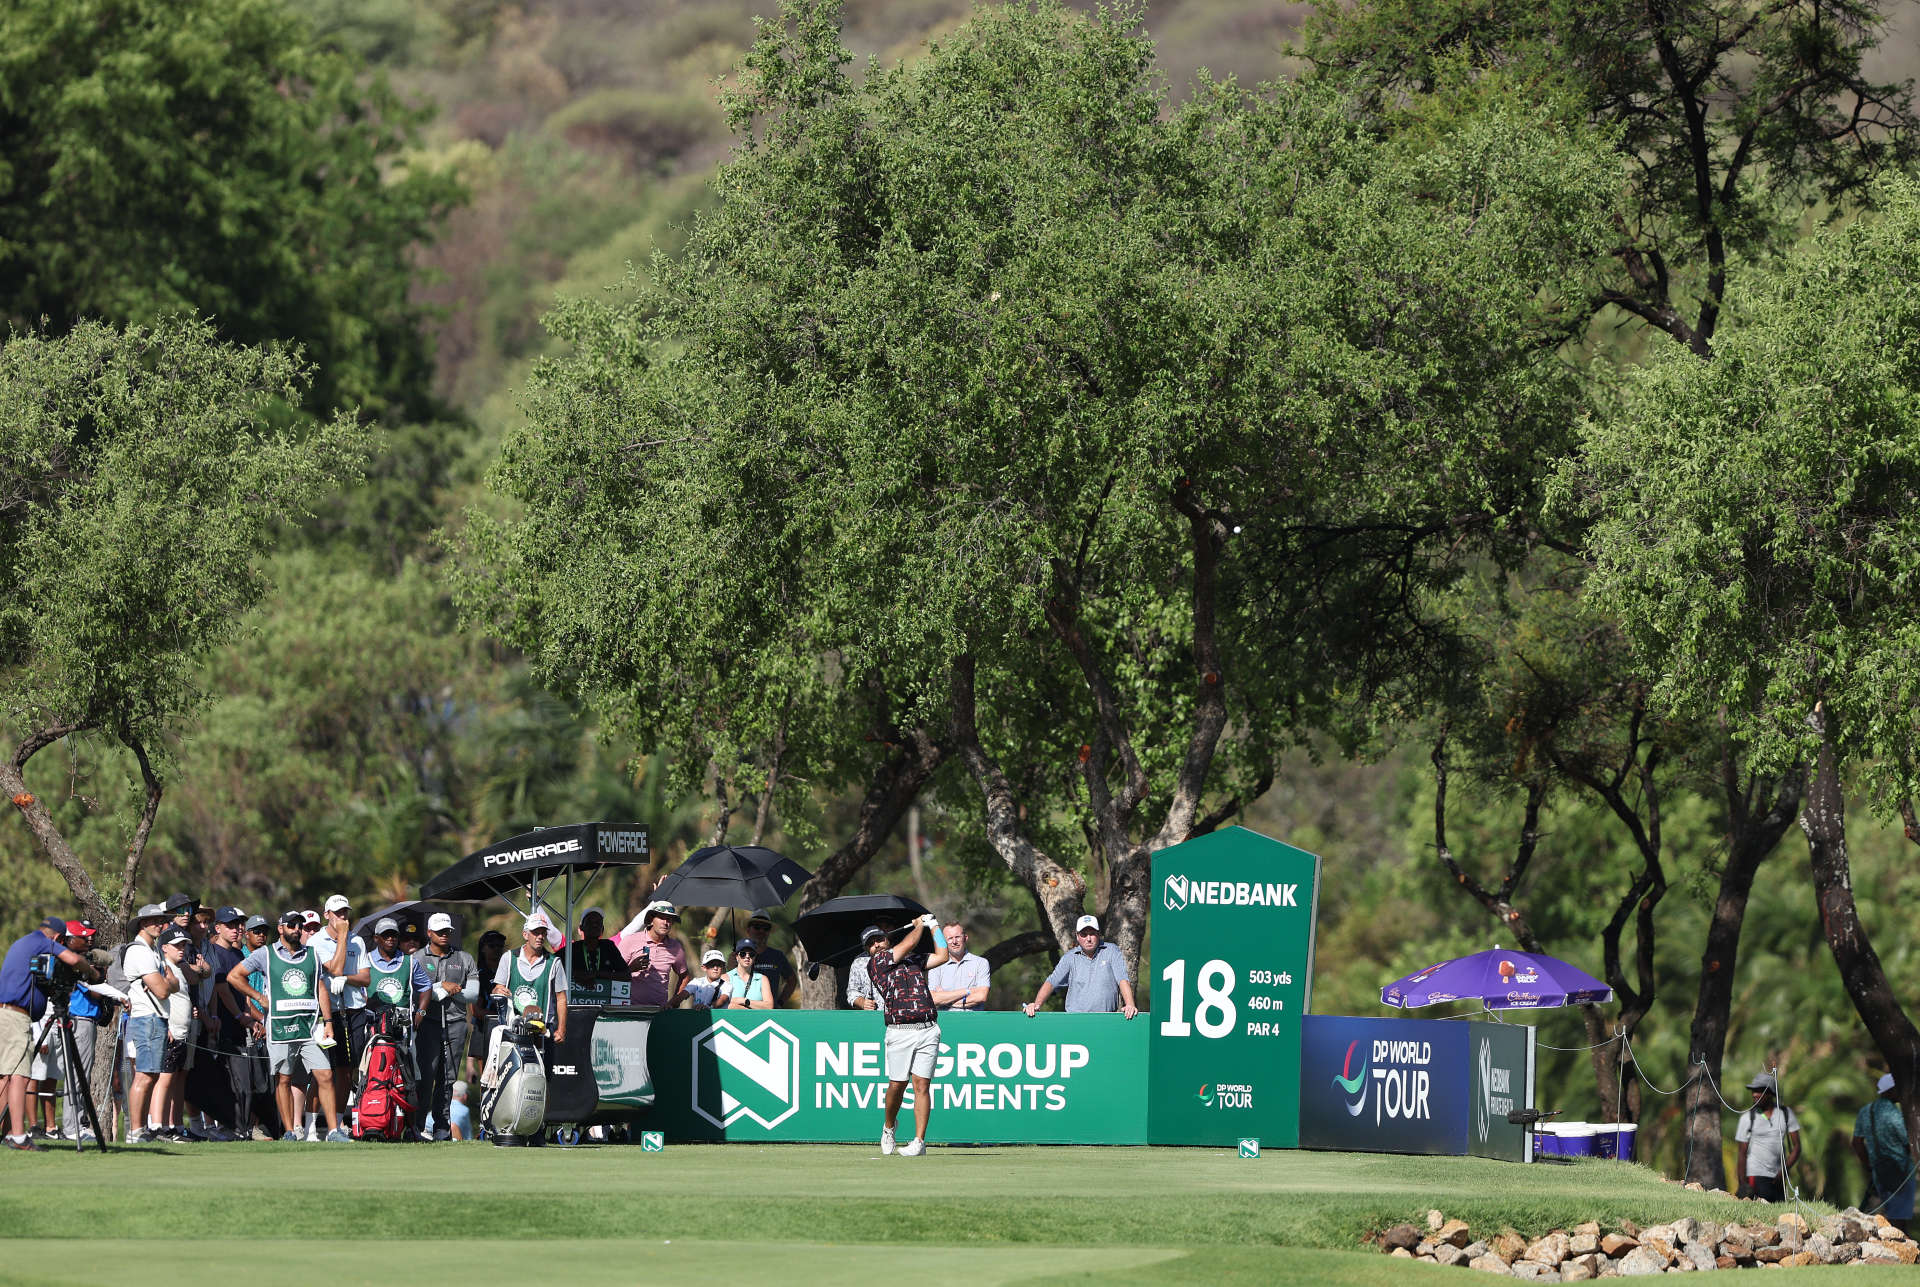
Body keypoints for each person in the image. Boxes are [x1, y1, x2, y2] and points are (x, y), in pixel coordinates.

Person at [226, 911, 349, 1142]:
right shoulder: (266, 954)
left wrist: (329, 1021)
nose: (297, 928)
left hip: (309, 1027)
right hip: (280, 1028)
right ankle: (290, 1132)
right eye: (291, 925)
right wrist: (258, 998)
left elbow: (321, 987)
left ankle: (333, 1131)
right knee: (283, 1079)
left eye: (299, 925)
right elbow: (234, 976)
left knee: (325, 1075)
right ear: (281, 929)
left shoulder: (311, 955)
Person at [1, 916, 102, 1150]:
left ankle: (6, 1133)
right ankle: (18, 1137)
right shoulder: (42, 942)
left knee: (5, 1076)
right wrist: (91, 972)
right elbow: (73, 958)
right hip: (16, 1016)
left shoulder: (22, 942)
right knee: (19, 1076)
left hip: (4, 1014)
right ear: (57, 937)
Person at [866, 915, 949, 1157]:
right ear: (869, 951)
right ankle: (889, 1127)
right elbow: (910, 943)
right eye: (871, 944)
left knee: (922, 1085)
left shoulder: (913, 961)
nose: (877, 945)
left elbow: (943, 955)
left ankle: (919, 1142)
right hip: (899, 1031)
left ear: (887, 940)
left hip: (928, 1029)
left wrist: (934, 926)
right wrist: (919, 926)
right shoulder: (877, 964)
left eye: (880, 940)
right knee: (897, 1085)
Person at [415, 911, 479, 1142]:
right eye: (439, 931)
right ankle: (418, 1125)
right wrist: (440, 986)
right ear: (429, 933)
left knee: (447, 1079)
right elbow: (415, 992)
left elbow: (473, 994)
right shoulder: (417, 959)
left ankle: (442, 1130)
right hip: (428, 1024)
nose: (444, 934)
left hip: (455, 1023)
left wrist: (454, 990)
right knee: (425, 1076)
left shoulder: (464, 958)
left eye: (447, 931)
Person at [310, 894, 369, 1125]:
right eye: (338, 913)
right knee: (322, 1072)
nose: (343, 917)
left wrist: (347, 979)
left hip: (354, 1009)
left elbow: (365, 978)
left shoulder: (358, 941)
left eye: (345, 912)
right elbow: (334, 968)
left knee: (346, 1070)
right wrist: (343, 936)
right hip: (328, 1013)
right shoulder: (316, 941)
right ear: (327, 915)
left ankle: (337, 1123)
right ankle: (310, 1124)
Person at [119, 904, 175, 1144]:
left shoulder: (153, 951)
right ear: (142, 924)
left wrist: (169, 981)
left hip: (155, 1018)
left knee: (150, 1076)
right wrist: (168, 981)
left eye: (161, 921)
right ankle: (135, 1131)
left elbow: (172, 983)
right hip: (147, 1019)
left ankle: (139, 1131)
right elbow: (164, 989)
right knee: (144, 1076)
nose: (160, 925)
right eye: (154, 921)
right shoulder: (139, 951)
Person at [1021, 915, 1138, 1018]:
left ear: (1098, 934)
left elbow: (1122, 979)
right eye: (1084, 934)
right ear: (1077, 936)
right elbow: (1051, 982)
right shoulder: (1070, 957)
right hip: (1075, 1021)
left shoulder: (1111, 950)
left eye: (1092, 934)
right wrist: (1036, 1005)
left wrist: (1130, 1005)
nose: (1088, 938)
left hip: (1105, 1020)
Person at [60, 920, 114, 1141]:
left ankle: (78, 1122)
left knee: (83, 1073)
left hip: (86, 1021)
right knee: (77, 1074)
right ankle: (72, 1126)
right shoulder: (75, 962)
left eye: (91, 935)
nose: (89, 939)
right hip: (80, 1020)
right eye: (84, 936)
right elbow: (96, 993)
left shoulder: (85, 959)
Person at [491, 911, 569, 1044]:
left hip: (543, 1029)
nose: (540, 937)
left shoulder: (554, 962)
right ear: (525, 935)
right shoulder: (509, 958)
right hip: (512, 1027)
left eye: (543, 933)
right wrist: (497, 991)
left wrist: (561, 1029)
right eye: (535, 932)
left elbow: (561, 998)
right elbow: (497, 989)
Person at [1853, 1073, 1914, 1232]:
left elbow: (1857, 1142)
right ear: (1890, 1090)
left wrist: (1868, 1165)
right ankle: (1903, 1253)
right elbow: (1909, 1142)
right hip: (1900, 1173)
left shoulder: (1866, 1111)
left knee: (1884, 1217)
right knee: (1899, 1223)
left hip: (1878, 1174)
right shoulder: (1894, 1113)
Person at [153, 926, 194, 1139]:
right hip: (170, 1031)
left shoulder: (177, 967)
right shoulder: (162, 966)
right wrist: (166, 1026)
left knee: (178, 1079)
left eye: (184, 945)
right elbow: (159, 998)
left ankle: (176, 1126)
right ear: (164, 947)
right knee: (165, 1078)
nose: (182, 949)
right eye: (177, 945)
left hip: (183, 1032)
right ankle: (158, 1126)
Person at [1736, 1070, 1801, 1202]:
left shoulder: (1786, 1114)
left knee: (1778, 1215)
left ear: (1771, 1093)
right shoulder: (1747, 1118)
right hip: (1755, 1176)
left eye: (1759, 1091)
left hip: (1778, 1178)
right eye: (1753, 1091)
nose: (1754, 1094)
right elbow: (1742, 1153)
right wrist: (1743, 1184)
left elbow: (1797, 1147)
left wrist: (1784, 1170)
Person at [622, 901, 688, 1008]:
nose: (666, 922)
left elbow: (684, 977)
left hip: (658, 1012)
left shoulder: (675, 947)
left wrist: (673, 1003)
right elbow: (613, 973)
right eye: (662, 917)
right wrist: (631, 968)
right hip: (629, 1009)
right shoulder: (630, 940)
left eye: (670, 919)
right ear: (651, 920)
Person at [469, 930, 508, 1082]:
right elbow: (475, 1010)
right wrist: (498, 1018)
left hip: (506, 1028)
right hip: (484, 1029)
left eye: (500, 946)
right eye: (492, 946)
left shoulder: (508, 972)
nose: (497, 949)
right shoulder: (477, 975)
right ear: (483, 948)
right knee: (487, 1077)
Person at [927, 921, 990, 1011]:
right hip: (946, 1021)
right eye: (950, 938)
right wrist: (968, 991)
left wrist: (945, 998)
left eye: (957, 937)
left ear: (965, 938)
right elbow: (933, 999)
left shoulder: (981, 963)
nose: (954, 942)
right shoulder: (936, 965)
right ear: (944, 942)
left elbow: (981, 996)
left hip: (973, 1021)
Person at [846, 915, 904, 1011]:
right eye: (880, 926)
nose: (876, 945)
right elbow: (852, 992)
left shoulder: (903, 954)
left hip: (902, 1017)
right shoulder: (859, 961)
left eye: (887, 926)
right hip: (873, 1018)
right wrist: (862, 1002)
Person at [743, 912, 795, 1006]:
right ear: (748, 930)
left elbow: (792, 980)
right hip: (745, 1011)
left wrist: (780, 1002)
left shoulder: (777, 956)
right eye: (757, 927)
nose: (761, 931)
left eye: (766, 928)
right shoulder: (739, 956)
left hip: (770, 1012)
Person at [568, 909, 626, 991]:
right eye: (590, 922)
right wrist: (578, 976)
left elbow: (626, 976)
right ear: (581, 928)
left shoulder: (609, 946)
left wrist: (595, 975)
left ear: (602, 929)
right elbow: (555, 970)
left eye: (598, 923)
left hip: (604, 1000)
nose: (594, 925)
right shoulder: (572, 949)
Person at [719, 941, 773, 1010]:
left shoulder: (763, 979)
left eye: (751, 954)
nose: (747, 956)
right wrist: (742, 1008)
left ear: (754, 957)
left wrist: (744, 1001)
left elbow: (769, 1006)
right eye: (743, 954)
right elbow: (720, 1005)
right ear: (737, 957)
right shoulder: (725, 978)